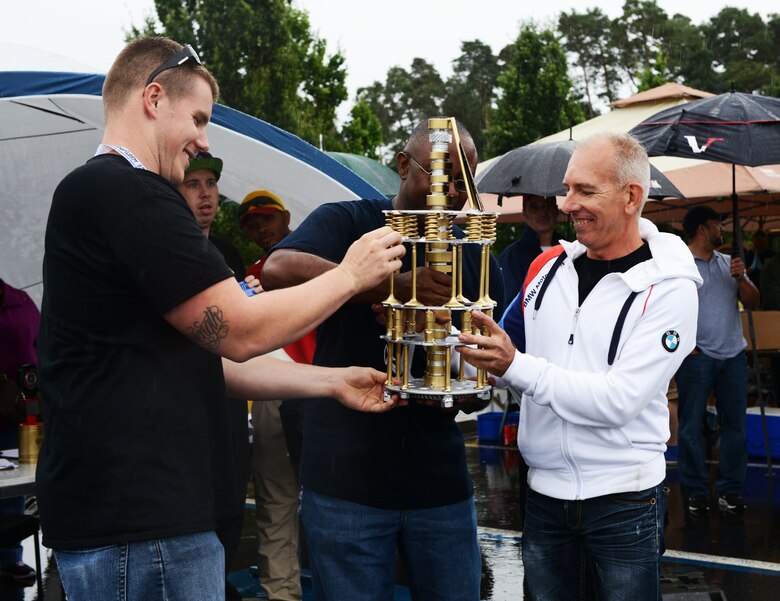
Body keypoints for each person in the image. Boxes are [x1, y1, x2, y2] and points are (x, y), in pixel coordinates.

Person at [35, 36, 405, 601]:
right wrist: (351, 276)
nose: (203, 141)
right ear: (154, 98)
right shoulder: (131, 194)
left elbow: (211, 359)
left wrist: (332, 380)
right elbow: (237, 330)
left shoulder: (107, 194)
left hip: (134, 526)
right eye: (199, 118)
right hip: (141, 530)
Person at [262, 118, 504, 601]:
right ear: (402, 166)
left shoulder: (472, 256)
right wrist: (389, 285)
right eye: (441, 177)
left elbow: (483, 379)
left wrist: (455, 371)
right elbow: (278, 270)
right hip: (346, 482)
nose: (453, 193)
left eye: (465, 182)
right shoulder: (350, 223)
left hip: (439, 485)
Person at [458, 132, 702, 600]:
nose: (567, 204)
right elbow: (503, 350)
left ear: (632, 197)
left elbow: (617, 401)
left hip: (624, 501)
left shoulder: (671, 288)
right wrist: (457, 346)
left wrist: (513, 364)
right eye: (567, 189)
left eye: (585, 191)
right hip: (544, 497)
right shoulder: (549, 268)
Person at [177, 152, 253, 600]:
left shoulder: (226, 253)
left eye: (210, 183)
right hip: (186, 417)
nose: (206, 194)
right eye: (193, 184)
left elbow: (241, 338)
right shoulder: (169, 252)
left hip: (226, 409)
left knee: (228, 513)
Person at [239, 190, 313, 601]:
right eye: (251, 223)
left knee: (330, 505)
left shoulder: (312, 257)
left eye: (266, 218)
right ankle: (282, 593)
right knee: (276, 503)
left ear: (286, 217)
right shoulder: (249, 275)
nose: (261, 228)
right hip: (273, 393)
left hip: (318, 385)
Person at [677, 205, 759, 514]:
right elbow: (666, 312)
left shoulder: (730, 264)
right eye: (716, 224)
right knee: (690, 426)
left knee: (735, 425)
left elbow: (753, 301)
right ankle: (696, 491)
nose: (720, 230)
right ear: (702, 228)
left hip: (733, 354)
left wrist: (742, 279)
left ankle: (730, 490)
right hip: (697, 357)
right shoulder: (681, 265)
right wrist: (683, 346)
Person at [0, 279, 39, 584]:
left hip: (17, 410)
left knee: (16, 481)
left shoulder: (19, 301)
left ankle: (9, 557)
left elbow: (39, 348)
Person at [498, 194, 561, 303]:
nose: (543, 212)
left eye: (548, 205)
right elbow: (510, 302)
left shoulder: (570, 251)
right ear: (524, 213)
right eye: (534, 207)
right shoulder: (511, 257)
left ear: (556, 210)